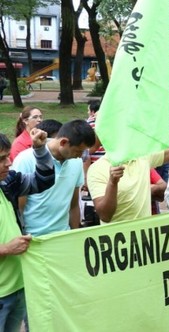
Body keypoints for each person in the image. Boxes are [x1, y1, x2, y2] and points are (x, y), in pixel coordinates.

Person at [88, 104, 169, 223]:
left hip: (144, 237)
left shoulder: (142, 156)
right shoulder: (96, 169)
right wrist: (112, 183)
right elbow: (105, 215)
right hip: (116, 239)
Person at [0, 129, 54, 332]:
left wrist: (40, 150)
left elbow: (44, 180)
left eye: (8, 156)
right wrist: (5, 248)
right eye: (2, 159)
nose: (9, 163)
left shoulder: (6, 183)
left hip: (17, 288)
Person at [13, 120, 94, 236]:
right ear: (63, 142)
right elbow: (19, 207)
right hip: (33, 238)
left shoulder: (76, 162)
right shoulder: (26, 159)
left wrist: (75, 234)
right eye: (78, 151)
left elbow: (74, 204)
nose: (81, 156)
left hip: (62, 236)